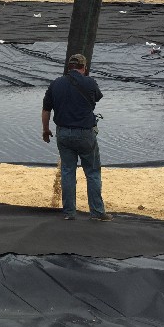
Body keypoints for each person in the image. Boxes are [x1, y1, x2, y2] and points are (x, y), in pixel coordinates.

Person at [41, 53, 111, 221]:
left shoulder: (56, 83)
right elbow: (97, 98)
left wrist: (45, 129)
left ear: (68, 67)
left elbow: (46, 110)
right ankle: (97, 212)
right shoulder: (90, 82)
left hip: (63, 133)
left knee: (67, 171)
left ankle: (69, 213)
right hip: (85, 133)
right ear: (84, 67)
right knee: (92, 172)